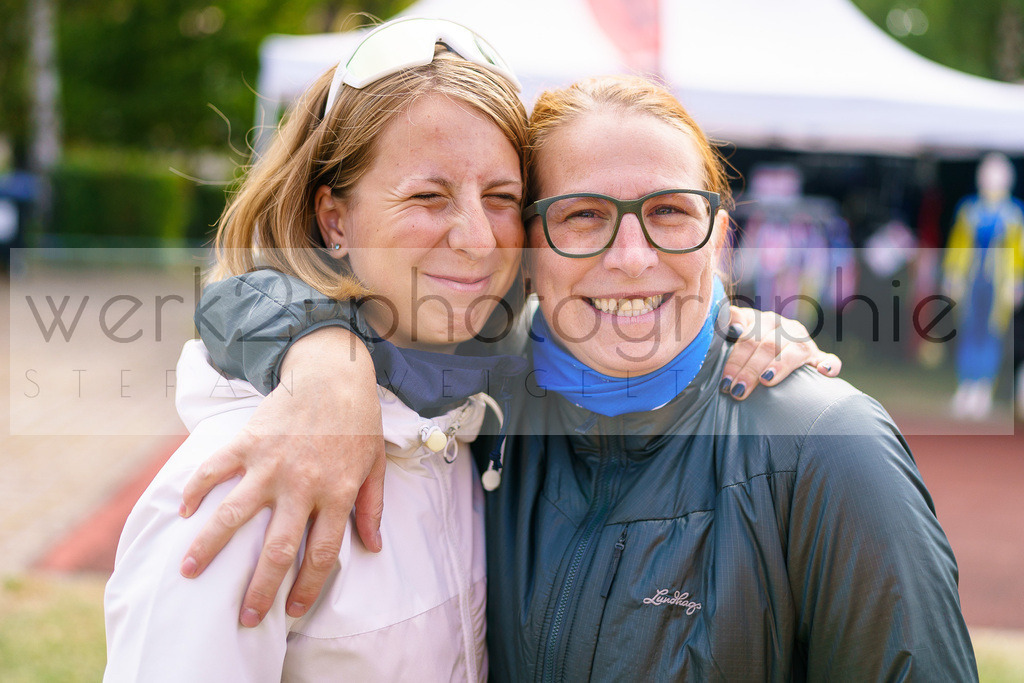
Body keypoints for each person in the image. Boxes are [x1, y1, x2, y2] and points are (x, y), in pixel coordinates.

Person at [103, 19, 834, 681]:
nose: (477, 239)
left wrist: (721, 322)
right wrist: (325, 359)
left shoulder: (484, 410)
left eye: (500, 197)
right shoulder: (245, 482)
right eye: (428, 197)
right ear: (334, 218)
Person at [191, 74, 976, 680]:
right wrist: (325, 358)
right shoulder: (482, 396)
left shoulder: (829, 447)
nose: (631, 257)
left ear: (720, 239)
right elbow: (239, 297)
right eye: (582, 216)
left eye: (669, 212)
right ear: (526, 247)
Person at [943, 152, 1024, 420]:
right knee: (968, 330)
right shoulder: (969, 210)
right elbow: (958, 245)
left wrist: (1015, 281)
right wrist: (952, 275)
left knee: (991, 334)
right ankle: (966, 386)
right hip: (971, 280)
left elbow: (1017, 251)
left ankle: (983, 389)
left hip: (997, 283)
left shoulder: (1013, 213)